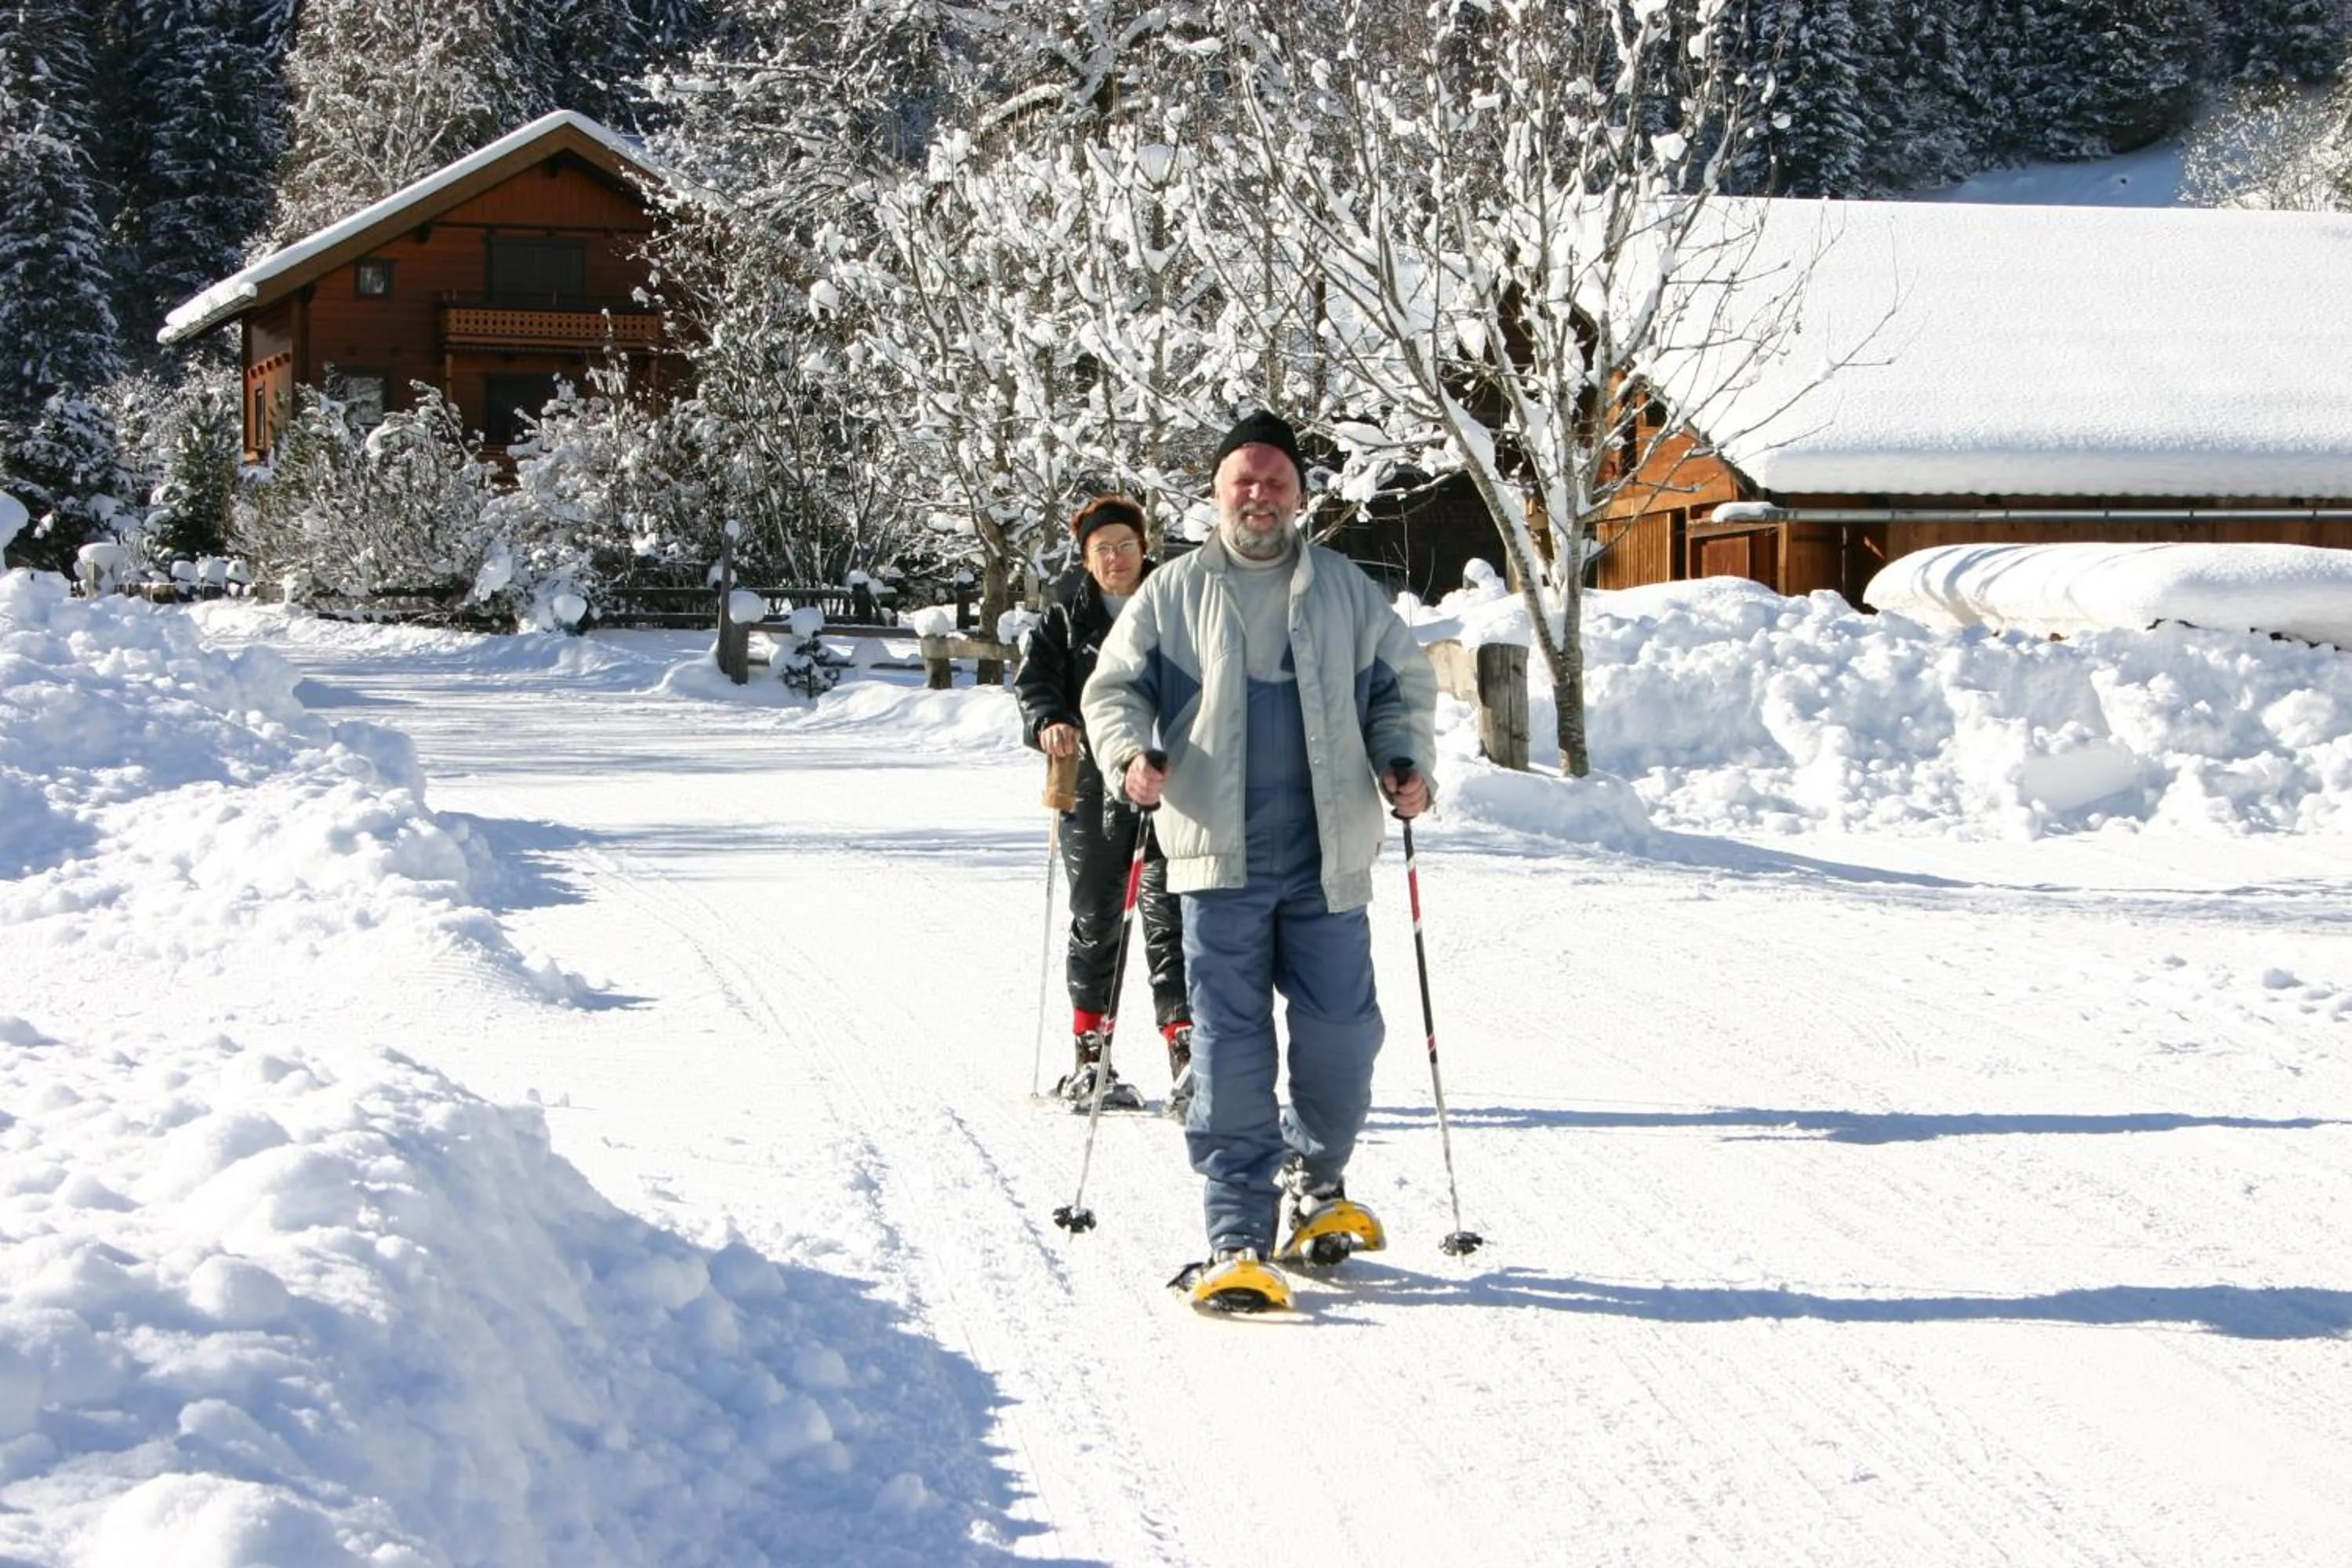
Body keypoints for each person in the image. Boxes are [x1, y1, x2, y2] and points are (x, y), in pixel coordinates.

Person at [1081, 412, 1437, 1304]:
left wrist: (1405, 761)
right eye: (1244, 479)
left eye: (1276, 480)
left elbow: (1400, 686)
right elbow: (1113, 688)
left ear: (1302, 496)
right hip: (1216, 851)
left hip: (1329, 852)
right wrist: (1130, 754)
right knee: (1232, 1047)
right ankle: (1236, 1228)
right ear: (1215, 493)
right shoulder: (1171, 592)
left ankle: (1318, 1182)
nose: (1259, 495)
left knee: (1343, 1036)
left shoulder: (1349, 590)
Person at [1015, 493, 1194, 1116]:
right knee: (1098, 917)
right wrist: (1050, 721)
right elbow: (1035, 682)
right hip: (1092, 783)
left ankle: (1186, 1054)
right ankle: (1091, 1058)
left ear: (1145, 548)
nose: (1116, 558)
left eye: (1126, 545)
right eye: (1103, 549)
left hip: (1173, 782)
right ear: (1087, 558)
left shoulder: (1176, 606)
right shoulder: (1065, 615)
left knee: (1173, 914)